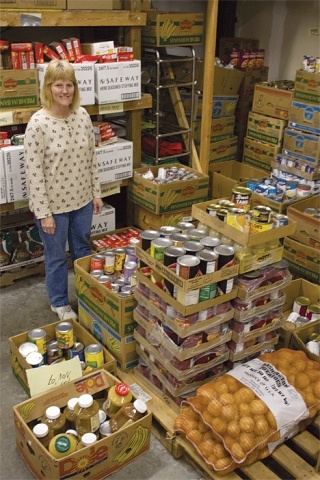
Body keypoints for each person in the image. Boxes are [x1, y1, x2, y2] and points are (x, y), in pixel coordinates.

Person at [24, 59, 103, 321]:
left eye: (69, 84)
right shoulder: (38, 124)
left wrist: (96, 192)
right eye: (59, 85)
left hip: (81, 201)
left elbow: (91, 158)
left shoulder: (82, 116)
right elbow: (34, 175)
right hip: (53, 209)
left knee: (82, 250)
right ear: (49, 87)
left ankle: (87, 295)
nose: (65, 90)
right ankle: (59, 302)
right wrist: (44, 213)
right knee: (56, 257)